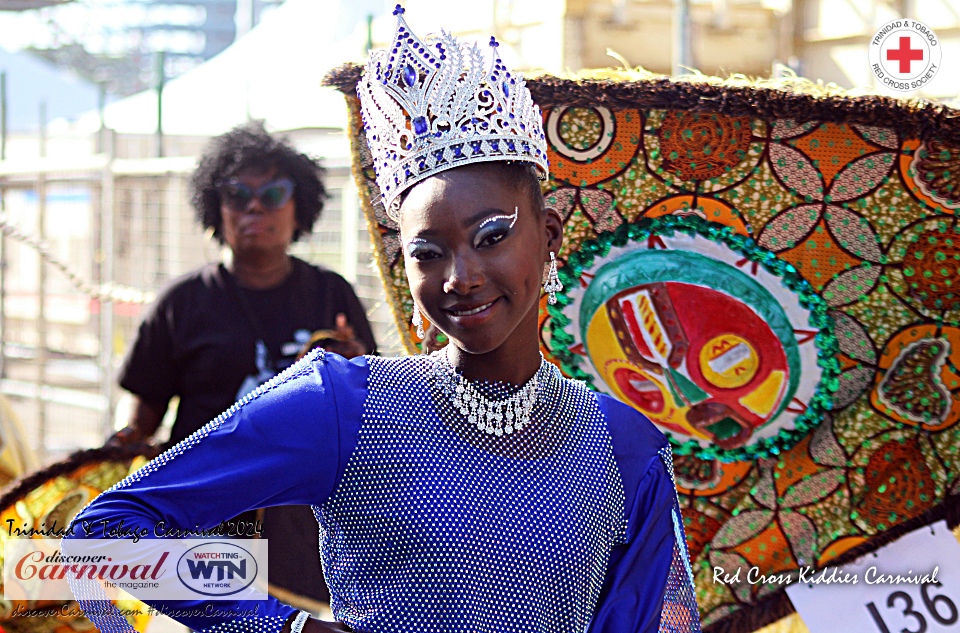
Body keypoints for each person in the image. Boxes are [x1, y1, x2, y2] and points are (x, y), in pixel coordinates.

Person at [64, 8, 701, 633]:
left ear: (549, 236)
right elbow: (107, 534)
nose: (461, 276)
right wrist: (281, 627)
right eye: (428, 253)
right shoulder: (344, 406)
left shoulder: (627, 450)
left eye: (491, 236)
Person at [107, 121, 376, 609]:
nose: (255, 206)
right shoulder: (181, 303)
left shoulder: (331, 293)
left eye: (273, 193)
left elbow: (368, 413)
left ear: (300, 209)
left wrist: (355, 369)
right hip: (206, 519)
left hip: (306, 527)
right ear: (216, 208)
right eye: (237, 193)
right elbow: (139, 423)